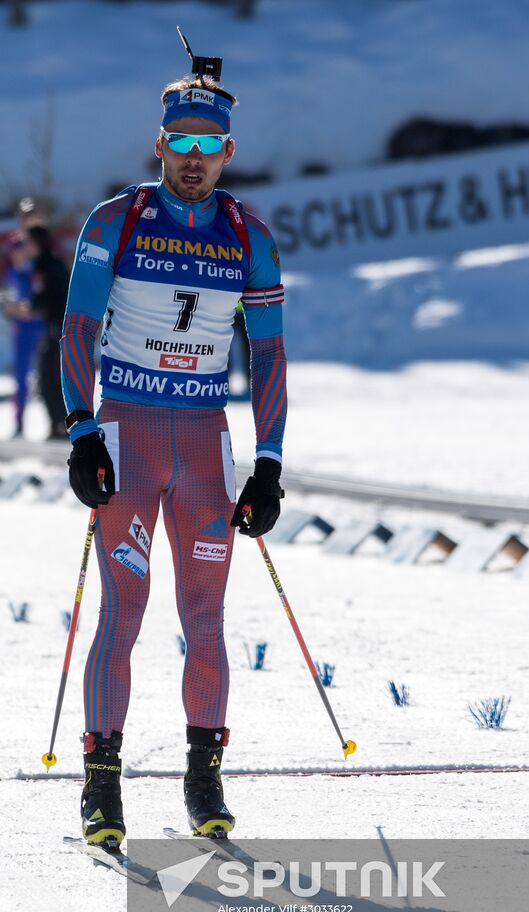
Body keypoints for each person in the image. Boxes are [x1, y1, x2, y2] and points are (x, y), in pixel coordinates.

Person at [60, 62, 287, 847]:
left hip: (203, 443)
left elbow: (269, 356)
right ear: (161, 144)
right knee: (122, 613)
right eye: (182, 141)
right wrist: (81, 432)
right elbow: (78, 332)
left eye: (211, 143)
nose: (195, 156)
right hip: (128, 434)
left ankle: (203, 780)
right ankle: (101, 784)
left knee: (207, 615)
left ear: (228, 152)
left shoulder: (248, 235)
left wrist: (268, 463)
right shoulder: (115, 221)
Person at [24, 225, 70, 439]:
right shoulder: (50, 263)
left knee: (52, 376)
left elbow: (49, 297)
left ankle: (60, 422)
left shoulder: (46, 266)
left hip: (57, 328)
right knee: (46, 376)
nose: (26, 247)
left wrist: (29, 307)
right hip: (54, 326)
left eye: (29, 242)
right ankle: (55, 422)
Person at [2, 232, 45, 436]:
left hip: (40, 329)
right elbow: (9, 307)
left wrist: (28, 311)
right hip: (21, 331)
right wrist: (20, 311)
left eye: (19, 248)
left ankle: (56, 421)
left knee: (46, 376)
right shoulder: (11, 275)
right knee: (20, 376)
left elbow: (43, 304)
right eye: (13, 249)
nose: (16, 253)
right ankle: (19, 421)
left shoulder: (36, 271)